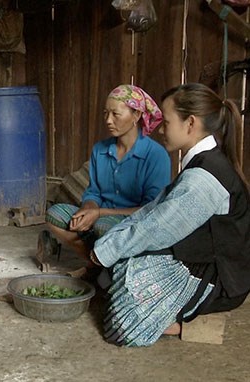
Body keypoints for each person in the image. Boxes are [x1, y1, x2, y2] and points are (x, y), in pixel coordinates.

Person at [90, 82, 250, 347]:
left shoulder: (204, 177)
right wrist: (110, 245)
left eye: (165, 122)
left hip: (220, 278)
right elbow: (154, 210)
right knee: (119, 262)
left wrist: (106, 251)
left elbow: (157, 229)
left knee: (122, 321)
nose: (160, 130)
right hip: (198, 256)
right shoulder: (201, 162)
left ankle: (176, 325)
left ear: (190, 123)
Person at [41, 84, 171, 278]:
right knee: (55, 215)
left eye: (116, 114)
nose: (108, 120)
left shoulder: (155, 155)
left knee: (104, 226)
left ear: (136, 116)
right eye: (106, 113)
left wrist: (99, 212)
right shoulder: (100, 150)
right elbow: (93, 192)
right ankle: (96, 266)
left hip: (133, 222)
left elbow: (151, 208)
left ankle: (105, 271)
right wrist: (87, 208)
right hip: (99, 216)